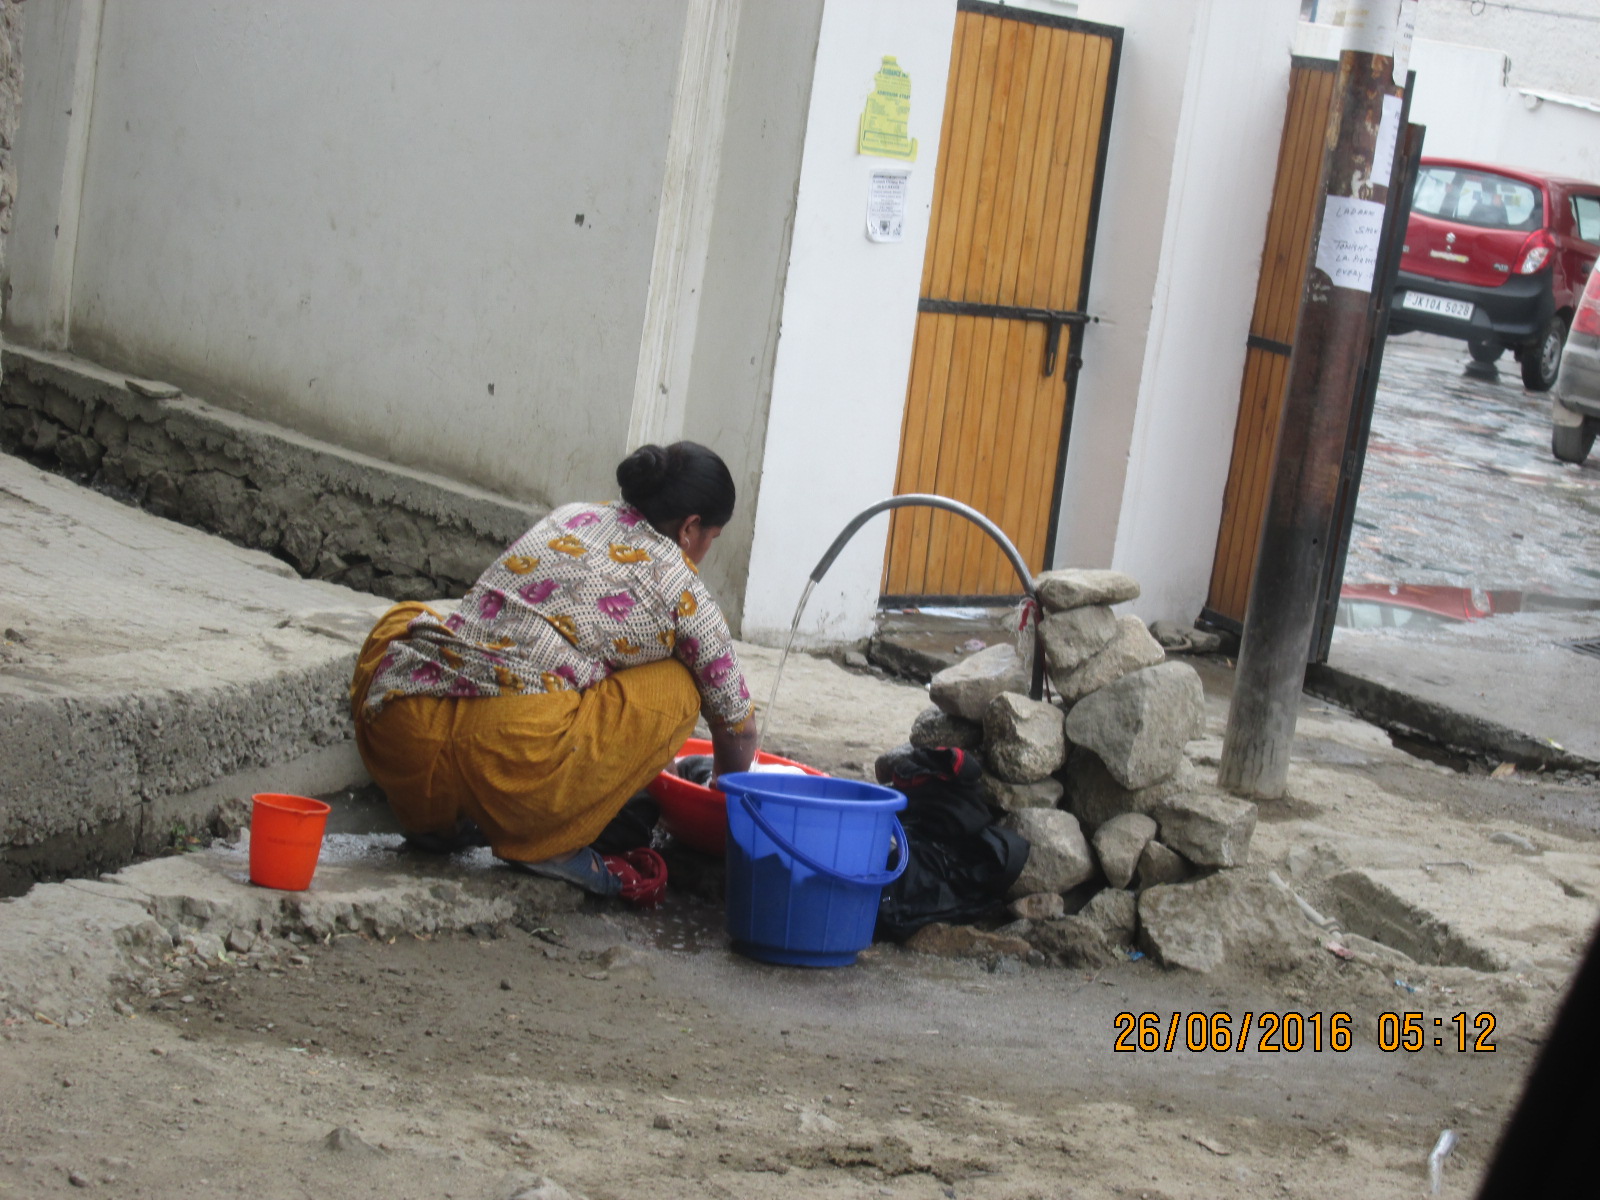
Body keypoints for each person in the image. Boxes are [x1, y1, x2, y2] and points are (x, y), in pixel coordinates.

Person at [348, 441, 757, 895]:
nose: (705, 550)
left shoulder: (574, 516)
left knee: (402, 619)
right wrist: (718, 792)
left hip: (405, 728)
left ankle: (437, 821)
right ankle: (548, 845)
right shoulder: (686, 594)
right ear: (690, 527)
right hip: (510, 759)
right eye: (711, 540)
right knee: (680, 689)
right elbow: (738, 729)